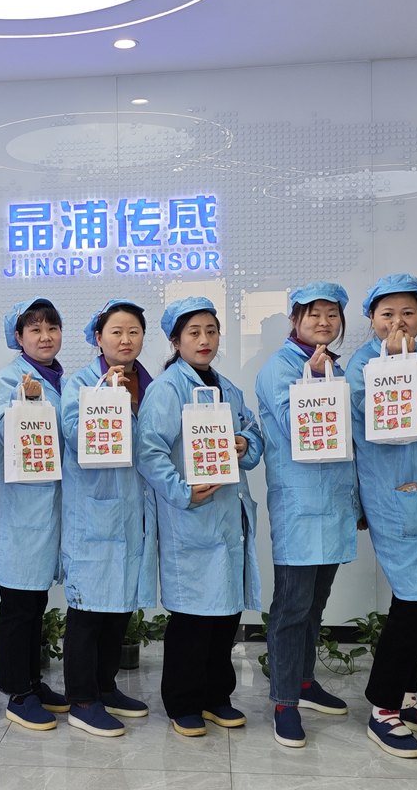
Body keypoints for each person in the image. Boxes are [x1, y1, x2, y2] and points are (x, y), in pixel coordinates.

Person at [135, 297, 263, 738]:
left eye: (211, 331)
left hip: (228, 518)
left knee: (225, 614)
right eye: (194, 332)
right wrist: (181, 491)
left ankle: (216, 696)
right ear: (175, 341)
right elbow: (149, 451)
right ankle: (183, 702)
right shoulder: (167, 389)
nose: (205, 339)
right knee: (192, 618)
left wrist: (245, 443)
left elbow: (253, 433)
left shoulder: (228, 388)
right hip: (190, 517)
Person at [345, 274, 417, 759]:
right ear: (371, 320)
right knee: (414, 602)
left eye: (407, 312)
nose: (398, 321)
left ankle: (406, 697)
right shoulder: (362, 365)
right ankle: (383, 706)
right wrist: (392, 365)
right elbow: (361, 429)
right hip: (396, 496)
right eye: (387, 314)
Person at [254, 282, 358, 748]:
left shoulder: (335, 366)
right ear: (295, 320)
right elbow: (300, 427)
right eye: (314, 314)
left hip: (333, 504)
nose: (323, 322)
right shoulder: (280, 368)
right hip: (300, 506)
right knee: (292, 607)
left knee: (316, 602)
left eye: (332, 315)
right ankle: (284, 702)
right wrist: (315, 382)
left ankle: (303, 681)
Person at [57, 298, 157, 737]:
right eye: (116, 331)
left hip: (132, 512)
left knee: (119, 607)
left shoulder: (150, 384)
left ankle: (106, 686)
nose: (125, 339)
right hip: (94, 512)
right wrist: (108, 400)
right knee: (88, 611)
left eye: (133, 331)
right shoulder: (81, 382)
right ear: (98, 338)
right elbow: (74, 435)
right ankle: (82, 699)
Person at [0, 297, 70, 731]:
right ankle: (17, 692)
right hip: (19, 512)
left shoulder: (60, 380)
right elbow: (7, 431)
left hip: (46, 510)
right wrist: (29, 404)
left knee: (36, 602)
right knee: (18, 604)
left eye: (51, 327)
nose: (45, 336)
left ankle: (33, 681)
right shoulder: (8, 382)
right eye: (34, 329)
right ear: (18, 337)